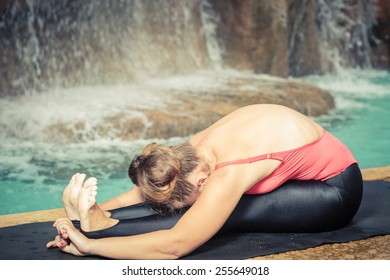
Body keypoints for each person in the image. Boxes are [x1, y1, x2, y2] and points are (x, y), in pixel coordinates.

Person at [47, 104, 363, 259]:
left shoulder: (229, 169)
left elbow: (176, 245)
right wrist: (96, 209)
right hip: (302, 175)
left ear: (200, 181)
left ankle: (100, 227)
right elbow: (151, 189)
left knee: (215, 215)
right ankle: (96, 221)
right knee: (199, 208)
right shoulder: (192, 153)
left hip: (335, 191)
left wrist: (91, 245)